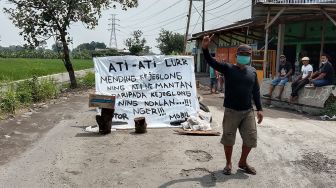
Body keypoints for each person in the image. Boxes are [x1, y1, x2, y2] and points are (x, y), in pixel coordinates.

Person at [202, 35, 263, 175]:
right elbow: (211, 61)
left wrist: (259, 109)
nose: (245, 56)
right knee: (229, 138)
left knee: (251, 138)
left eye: (248, 54)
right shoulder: (228, 68)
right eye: (242, 54)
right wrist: (205, 47)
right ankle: (228, 163)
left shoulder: (252, 71)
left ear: (250, 56)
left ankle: (242, 162)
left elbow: (256, 91)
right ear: (237, 55)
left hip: (248, 111)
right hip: (231, 111)